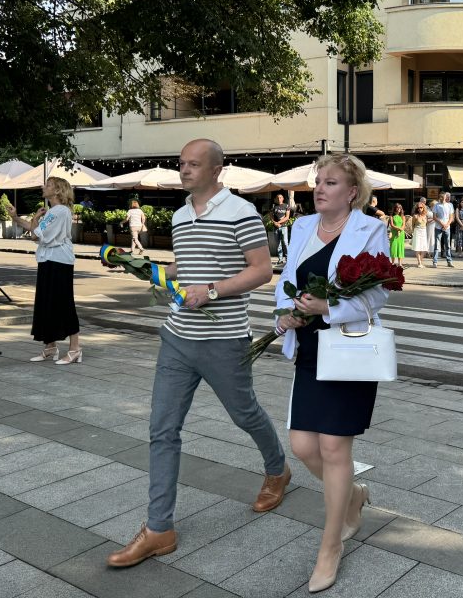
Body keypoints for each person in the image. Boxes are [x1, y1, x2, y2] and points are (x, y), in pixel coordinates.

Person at [107, 139, 288, 569]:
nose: (184, 171)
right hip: (177, 337)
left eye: (192, 165)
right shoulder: (180, 215)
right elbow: (183, 267)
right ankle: (159, 528)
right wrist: (141, 268)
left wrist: (212, 290)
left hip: (225, 340)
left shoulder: (241, 213)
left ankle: (278, 469)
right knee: (162, 430)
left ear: (216, 170)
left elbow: (261, 271)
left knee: (245, 414)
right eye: (181, 164)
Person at [272, 154, 391, 593]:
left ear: (352, 193)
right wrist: (284, 316)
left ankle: (330, 547)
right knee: (303, 445)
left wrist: (329, 307)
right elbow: (286, 283)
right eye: (318, 181)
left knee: (335, 448)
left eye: (331, 182)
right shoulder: (301, 227)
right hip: (308, 348)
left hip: (347, 351)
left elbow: (378, 297)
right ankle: (354, 496)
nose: (320, 188)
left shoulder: (370, 229)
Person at [8, 178, 81, 365]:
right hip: (50, 260)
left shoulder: (59, 211)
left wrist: (34, 219)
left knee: (64, 304)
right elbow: (37, 231)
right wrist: (16, 218)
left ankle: (75, 349)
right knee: (46, 304)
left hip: (58, 262)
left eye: (48, 185)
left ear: (57, 191)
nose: (43, 187)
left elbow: (34, 235)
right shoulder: (54, 212)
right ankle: (51, 347)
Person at [432, 192, 454, 267]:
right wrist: (441, 223)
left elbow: (451, 217)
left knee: (447, 244)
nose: (442, 198)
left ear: (445, 197)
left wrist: (447, 224)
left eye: (443, 197)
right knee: (437, 244)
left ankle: (449, 261)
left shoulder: (449, 205)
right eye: (441, 197)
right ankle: (435, 261)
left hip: (447, 227)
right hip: (438, 227)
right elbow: (434, 217)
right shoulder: (436, 205)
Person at [272, 193, 291, 265]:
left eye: (280, 197)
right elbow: (271, 216)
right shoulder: (274, 206)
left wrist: (278, 222)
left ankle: (288, 259)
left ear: (283, 199)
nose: (279, 199)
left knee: (285, 243)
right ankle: (280, 259)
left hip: (284, 226)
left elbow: (287, 217)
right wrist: (274, 223)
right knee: (278, 244)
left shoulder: (286, 206)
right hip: (276, 228)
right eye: (277, 198)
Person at [411, 200, 429, 267]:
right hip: (417, 231)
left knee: (424, 248)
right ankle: (419, 263)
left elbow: (426, 224)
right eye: (418, 208)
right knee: (417, 248)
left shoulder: (425, 216)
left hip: (423, 231)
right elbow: (412, 225)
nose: (419, 209)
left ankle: (420, 262)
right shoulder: (415, 216)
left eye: (421, 207)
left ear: (423, 208)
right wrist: (413, 233)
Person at [388, 202, 406, 267]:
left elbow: (403, 225)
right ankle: (392, 262)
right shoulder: (391, 217)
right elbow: (392, 225)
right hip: (394, 233)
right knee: (393, 247)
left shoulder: (403, 217)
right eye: (398, 208)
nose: (399, 209)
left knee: (400, 248)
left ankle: (400, 263)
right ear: (395, 208)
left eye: (400, 208)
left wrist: (400, 230)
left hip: (401, 234)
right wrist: (398, 229)